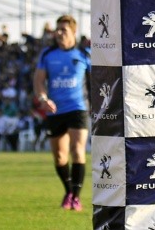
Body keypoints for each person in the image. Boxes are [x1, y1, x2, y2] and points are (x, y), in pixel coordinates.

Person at [34, 15, 90, 212]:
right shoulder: (47, 54)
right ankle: (68, 191)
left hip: (78, 108)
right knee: (59, 156)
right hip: (55, 110)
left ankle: (75, 197)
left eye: (63, 30)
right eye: (57, 29)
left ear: (73, 32)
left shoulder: (84, 54)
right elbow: (39, 81)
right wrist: (43, 99)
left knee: (77, 150)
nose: (58, 33)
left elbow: (95, 83)